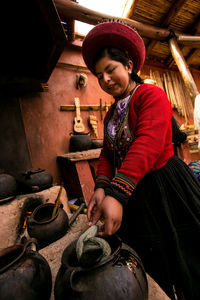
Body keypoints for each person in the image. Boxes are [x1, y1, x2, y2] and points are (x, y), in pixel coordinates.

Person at [82, 21, 200, 300]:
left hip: (165, 187)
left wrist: (117, 193)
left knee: (184, 253)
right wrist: (101, 187)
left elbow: (146, 143)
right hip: (134, 192)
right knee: (150, 257)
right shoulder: (111, 115)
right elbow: (107, 154)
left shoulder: (150, 95)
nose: (106, 80)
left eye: (111, 70)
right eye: (100, 75)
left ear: (129, 65)